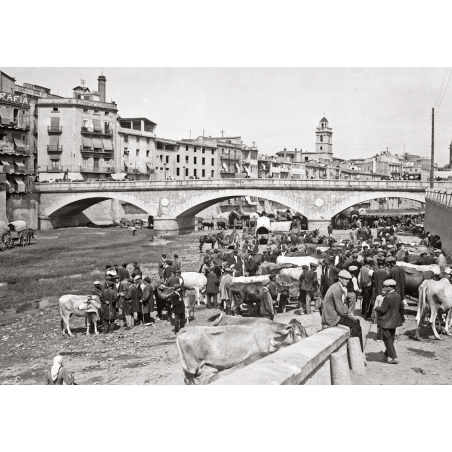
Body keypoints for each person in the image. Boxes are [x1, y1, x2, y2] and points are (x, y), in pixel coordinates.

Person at [321, 270, 364, 351]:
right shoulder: (337, 290)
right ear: (340, 279)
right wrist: (352, 316)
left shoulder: (337, 286)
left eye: (349, 279)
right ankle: (357, 351)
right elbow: (341, 310)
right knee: (356, 326)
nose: (348, 281)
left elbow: (342, 306)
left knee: (355, 322)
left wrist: (350, 315)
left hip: (333, 314)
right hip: (332, 317)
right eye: (346, 279)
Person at [375, 279, 404, 364]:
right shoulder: (398, 296)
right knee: (391, 338)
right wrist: (401, 318)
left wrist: (376, 308)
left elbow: (383, 310)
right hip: (394, 321)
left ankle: (394, 357)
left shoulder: (387, 297)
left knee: (387, 340)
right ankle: (386, 354)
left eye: (385, 286)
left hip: (386, 321)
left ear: (390, 287)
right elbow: (401, 307)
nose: (383, 288)